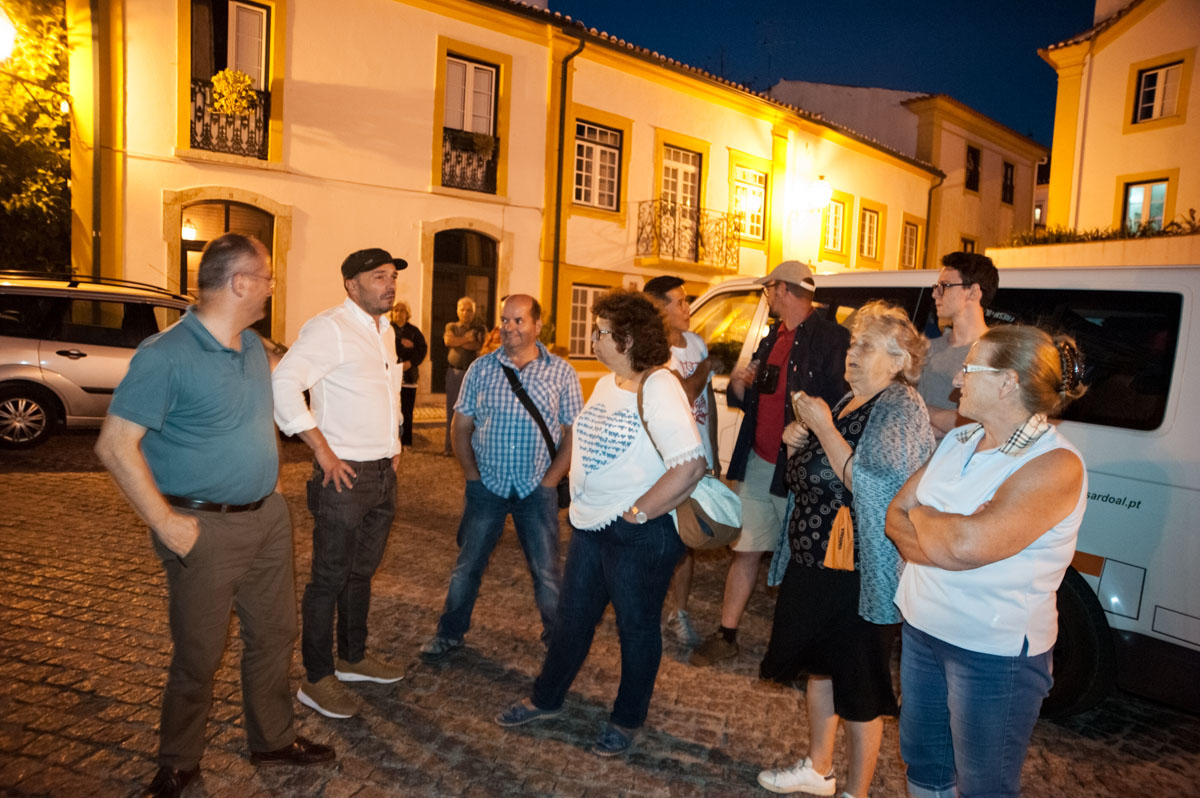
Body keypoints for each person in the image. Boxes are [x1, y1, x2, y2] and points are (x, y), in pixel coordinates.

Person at [94, 234, 334, 798]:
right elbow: (114, 445)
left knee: (274, 635)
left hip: (267, 519)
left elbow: (292, 384)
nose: (272, 288)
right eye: (267, 277)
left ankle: (272, 739)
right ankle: (179, 762)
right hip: (204, 529)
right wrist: (166, 524)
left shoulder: (250, 345)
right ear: (240, 283)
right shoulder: (166, 354)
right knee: (198, 654)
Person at [495, 290, 706, 757]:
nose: (593, 338)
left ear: (627, 339)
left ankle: (627, 720)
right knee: (572, 619)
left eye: (601, 331)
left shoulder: (660, 386)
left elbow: (690, 465)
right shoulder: (609, 382)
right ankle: (545, 698)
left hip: (639, 533)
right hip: (593, 527)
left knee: (636, 628)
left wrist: (636, 514)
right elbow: (588, 439)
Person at [887, 325, 1088, 798]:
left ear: (1007, 383)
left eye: (969, 368)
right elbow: (895, 516)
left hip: (991, 653)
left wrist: (927, 517)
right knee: (924, 763)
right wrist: (952, 530)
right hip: (922, 629)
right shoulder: (960, 439)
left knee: (984, 785)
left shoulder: (1055, 463)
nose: (957, 379)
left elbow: (967, 544)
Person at [756, 301, 934, 798]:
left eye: (866, 346)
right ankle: (819, 771)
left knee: (859, 688)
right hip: (817, 563)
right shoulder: (846, 402)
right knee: (820, 668)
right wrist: (796, 441)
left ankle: (857, 791)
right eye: (853, 343)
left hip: (859, 571)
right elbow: (811, 479)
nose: (852, 353)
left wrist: (824, 430)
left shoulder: (900, 406)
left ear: (898, 360)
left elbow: (877, 486)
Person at [691, 260, 849, 666]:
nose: (767, 296)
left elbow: (840, 406)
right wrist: (740, 385)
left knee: (799, 561)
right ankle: (727, 635)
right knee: (746, 549)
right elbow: (757, 402)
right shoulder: (772, 337)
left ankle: (791, 652)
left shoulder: (831, 339)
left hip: (799, 469)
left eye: (769, 289)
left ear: (784, 289)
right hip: (759, 461)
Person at [272, 247, 407, 720]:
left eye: (392, 276)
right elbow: (283, 384)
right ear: (352, 284)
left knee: (360, 573)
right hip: (343, 474)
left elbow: (387, 392)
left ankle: (352, 658)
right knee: (328, 578)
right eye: (379, 277)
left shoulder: (385, 331)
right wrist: (321, 450)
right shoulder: (329, 328)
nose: (390, 284)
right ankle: (316, 677)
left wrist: (394, 442)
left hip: (382, 473)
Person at [420, 294, 583, 662]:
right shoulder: (481, 368)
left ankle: (558, 641)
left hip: (536, 488)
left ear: (537, 325)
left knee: (547, 573)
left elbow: (574, 432)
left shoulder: (561, 372)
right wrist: (472, 476)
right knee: (467, 567)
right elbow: (461, 426)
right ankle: (449, 634)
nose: (509, 328)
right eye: (505, 320)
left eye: (518, 321)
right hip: (487, 487)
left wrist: (550, 480)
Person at [642, 275, 722, 648]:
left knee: (687, 538)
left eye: (687, 300)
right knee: (658, 539)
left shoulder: (695, 343)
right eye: (680, 301)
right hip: (665, 461)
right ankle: (647, 609)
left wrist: (713, 452)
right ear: (659, 307)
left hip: (695, 457)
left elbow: (707, 402)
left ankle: (679, 612)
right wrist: (708, 366)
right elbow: (687, 392)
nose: (688, 308)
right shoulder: (655, 352)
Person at [918, 251, 999, 441]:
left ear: (973, 292)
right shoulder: (926, 348)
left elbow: (981, 427)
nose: (935, 294)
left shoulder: (995, 354)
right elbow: (903, 409)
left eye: (945, 286)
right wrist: (946, 423)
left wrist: (919, 407)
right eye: (936, 287)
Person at [443, 296, 487, 455]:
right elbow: (448, 341)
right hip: (455, 373)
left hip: (474, 375)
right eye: (463, 310)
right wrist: (466, 339)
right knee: (452, 411)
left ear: (473, 312)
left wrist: (459, 341)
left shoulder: (480, 328)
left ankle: (469, 448)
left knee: (474, 413)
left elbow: (478, 345)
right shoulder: (451, 326)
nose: (466, 313)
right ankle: (449, 447)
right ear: (457, 311)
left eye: (469, 310)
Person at [391, 301, 427, 447]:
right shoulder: (387, 330)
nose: (399, 314)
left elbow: (422, 349)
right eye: (396, 310)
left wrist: (411, 362)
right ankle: (392, 441)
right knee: (391, 410)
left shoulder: (414, 332)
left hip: (409, 376)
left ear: (407, 314)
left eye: (402, 311)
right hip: (391, 377)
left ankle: (406, 442)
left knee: (407, 411)